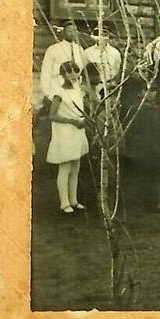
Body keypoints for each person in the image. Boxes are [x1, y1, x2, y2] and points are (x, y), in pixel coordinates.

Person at [47, 61, 90, 214]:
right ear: (62, 74)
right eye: (69, 72)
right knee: (65, 168)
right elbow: (52, 115)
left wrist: (82, 120)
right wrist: (72, 121)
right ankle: (64, 203)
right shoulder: (59, 93)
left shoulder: (78, 90)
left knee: (76, 168)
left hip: (77, 130)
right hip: (65, 131)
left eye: (76, 71)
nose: (73, 75)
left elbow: (80, 110)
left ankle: (74, 200)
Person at [40, 20, 88, 107]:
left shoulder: (79, 49)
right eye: (69, 31)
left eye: (74, 31)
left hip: (75, 86)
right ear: (63, 32)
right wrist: (47, 92)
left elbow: (82, 69)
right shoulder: (54, 49)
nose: (72, 33)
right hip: (57, 84)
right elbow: (46, 72)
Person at [84, 26, 122, 97]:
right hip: (94, 87)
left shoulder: (115, 52)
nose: (102, 38)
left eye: (105, 35)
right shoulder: (87, 52)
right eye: (100, 35)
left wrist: (113, 85)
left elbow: (117, 70)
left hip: (110, 86)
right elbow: (84, 72)